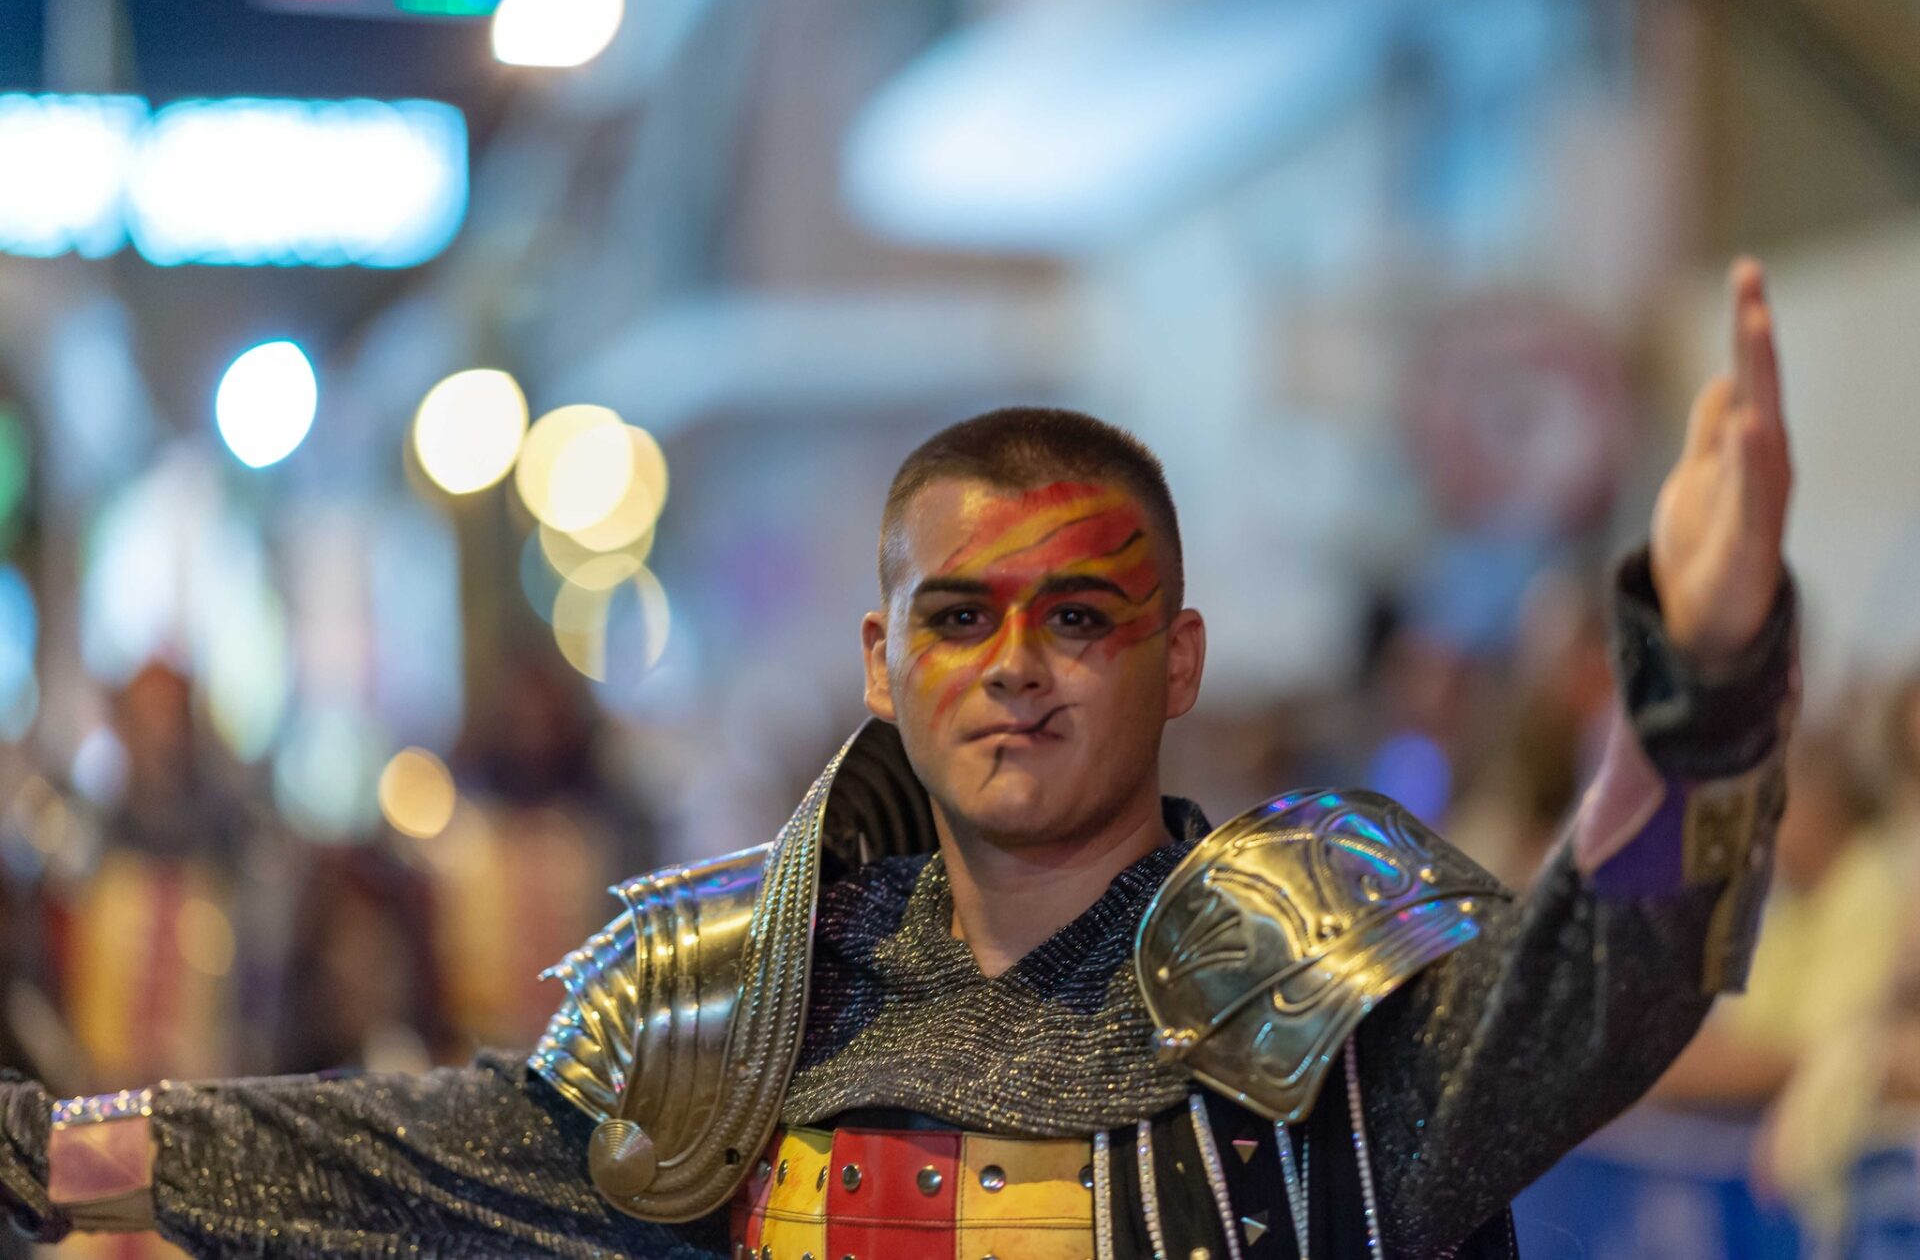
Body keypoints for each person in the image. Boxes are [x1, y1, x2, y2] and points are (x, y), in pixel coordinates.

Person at [0, 259, 1795, 1259]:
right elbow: (378, 1160)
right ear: (883, 662)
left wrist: (1700, 685)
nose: (1014, 667)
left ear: (1177, 657)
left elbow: (1609, 974)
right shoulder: (733, 1017)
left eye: (1078, 616)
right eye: (959, 617)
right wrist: (37, 1154)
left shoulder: (1325, 988)